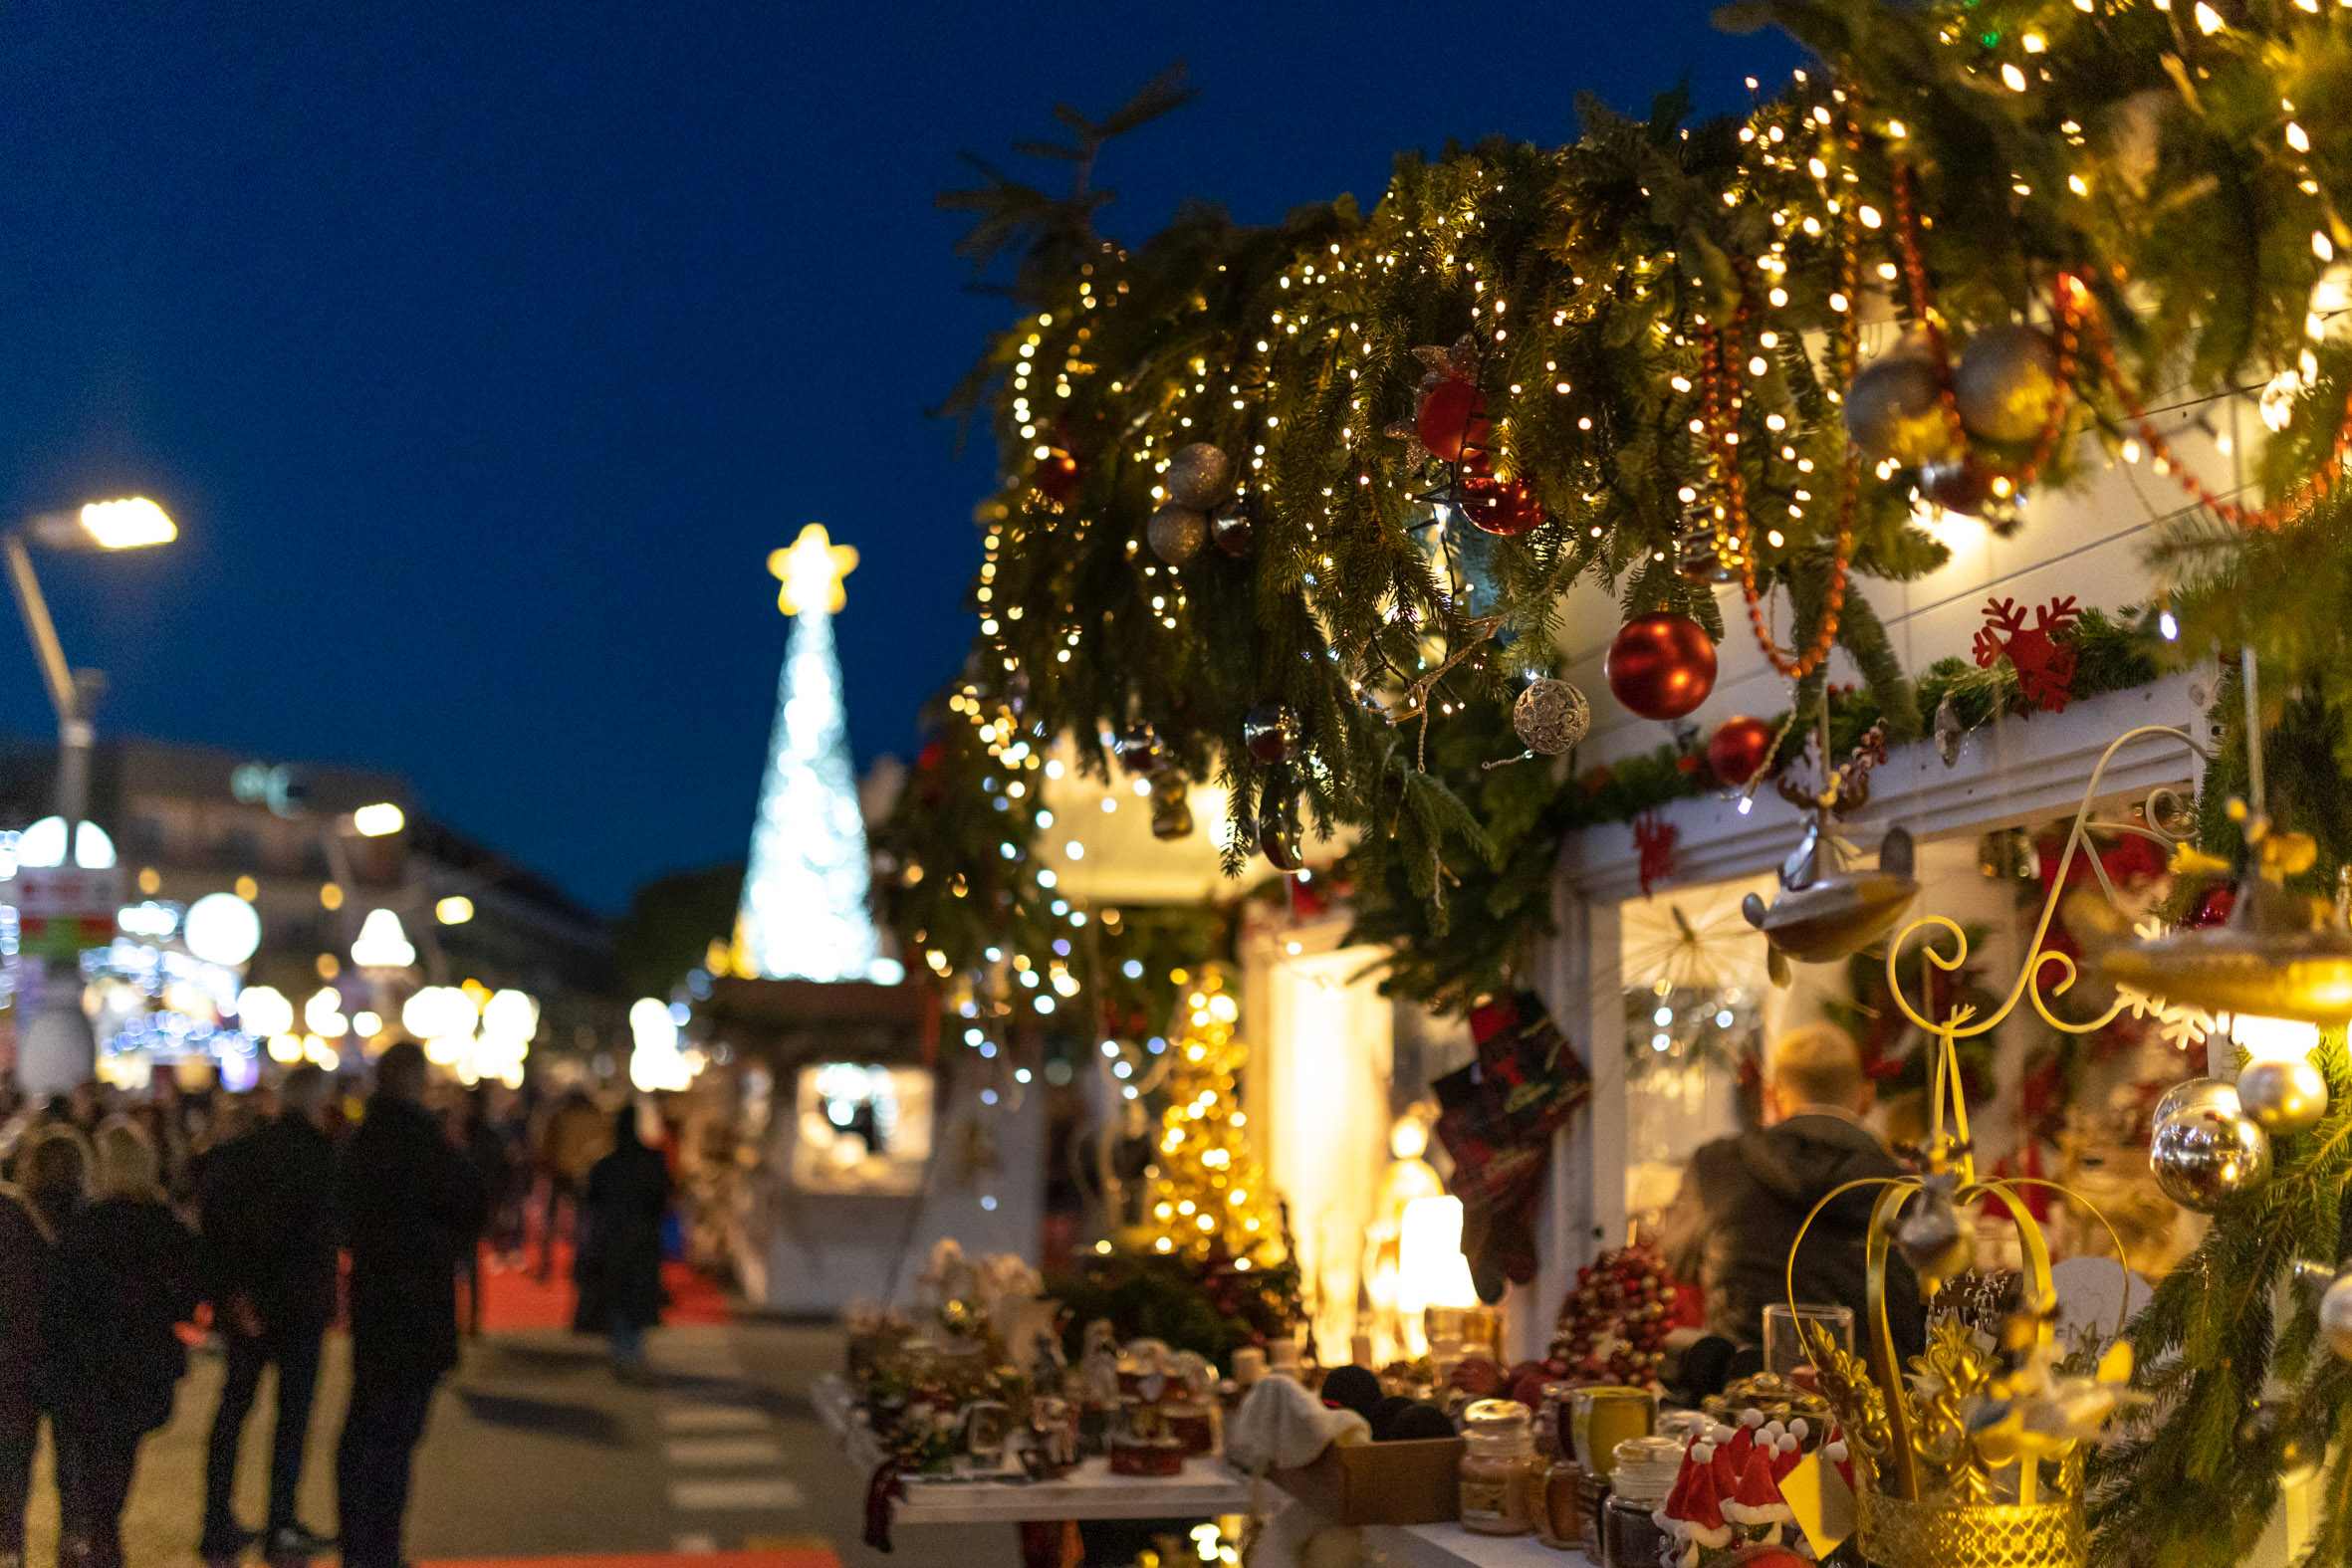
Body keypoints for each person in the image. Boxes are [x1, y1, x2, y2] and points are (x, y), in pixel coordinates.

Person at [1659, 1022, 1924, 1373]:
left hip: (1747, 1388)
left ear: (1772, 1096)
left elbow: (1678, 1261)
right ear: (1866, 1096)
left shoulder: (1717, 1166)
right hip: (1868, 1394)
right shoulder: (1903, 1188)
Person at [336, 1042, 487, 1568]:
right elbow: (471, 1202)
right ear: (415, 1082)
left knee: (365, 1428)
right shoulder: (425, 1142)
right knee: (396, 1436)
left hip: (376, 1299)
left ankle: (359, 1545)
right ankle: (381, 1547)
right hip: (419, 1300)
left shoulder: (362, 1141)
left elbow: (343, 1214)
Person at [197, 1064, 341, 1565]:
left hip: (250, 1306)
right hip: (299, 1307)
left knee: (233, 1411)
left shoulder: (245, 1154)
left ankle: (216, 1520)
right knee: (291, 1419)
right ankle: (281, 1520)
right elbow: (324, 1234)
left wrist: (233, 1293)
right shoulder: (322, 1156)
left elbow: (218, 1224)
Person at [45, 1118, 202, 1568]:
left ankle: (91, 1534)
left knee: (86, 1455)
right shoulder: (164, 1225)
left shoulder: (85, 1226)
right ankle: (104, 1532)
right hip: (142, 1362)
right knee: (120, 1453)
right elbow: (190, 1289)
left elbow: (61, 1297)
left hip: (87, 1363)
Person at [0, 1126, 82, 1568]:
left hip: (16, 1360)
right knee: (74, 1463)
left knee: (12, 1463)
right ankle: (73, 1542)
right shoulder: (89, 1219)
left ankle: (11, 1548)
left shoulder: (9, 1218)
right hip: (73, 1361)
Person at [574, 1101, 671, 1378]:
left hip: (613, 1239)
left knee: (618, 1297)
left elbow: (591, 1201)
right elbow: (662, 1199)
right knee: (636, 1296)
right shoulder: (652, 1162)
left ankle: (623, 1352)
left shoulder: (606, 1164)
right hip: (642, 1239)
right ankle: (631, 1353)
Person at [535, 1088, 608, 1281]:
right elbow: (605, 1145)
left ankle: (546, 1265)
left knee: (551, 1218)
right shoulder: (597, 1117)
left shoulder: (560, 1116)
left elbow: (547, 1144)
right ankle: (581, 1264)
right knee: (584, 1220)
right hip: (586, 1173)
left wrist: (547, 1165)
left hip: (562, 1170)